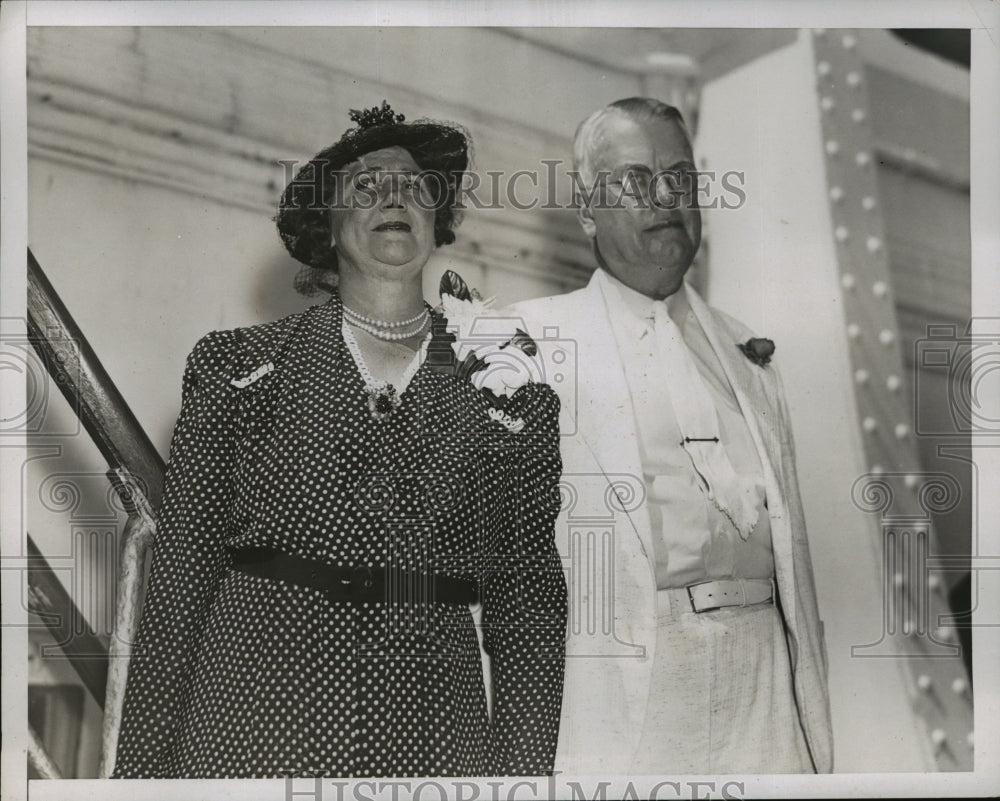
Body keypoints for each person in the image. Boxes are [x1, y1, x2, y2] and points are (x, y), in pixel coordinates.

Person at [112, 101, 567, 779]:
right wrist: (140, 780)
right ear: (325, 224)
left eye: (415, 187)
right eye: (366, 186)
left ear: (435, 221)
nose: (395, 198)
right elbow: (178, 591)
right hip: (255, 711)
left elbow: (528, 610)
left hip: (434, 724)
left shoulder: (509, 387)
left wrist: (525, 779)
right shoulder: (236, 368)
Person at [509, 97, 833, 774]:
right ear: (587, 211)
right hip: (633, 677)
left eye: (680, 179)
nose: (665, 198)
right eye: (634, 181)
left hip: (765, 679)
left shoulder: (751, 353)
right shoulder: (530, 341)